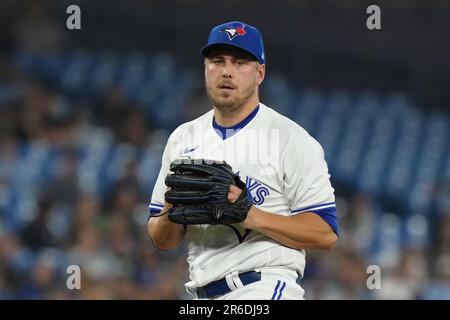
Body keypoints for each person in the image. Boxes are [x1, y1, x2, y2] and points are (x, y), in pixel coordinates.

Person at [147, 21, 338, 300]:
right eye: (217, 61)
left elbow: (325, 233)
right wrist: (172, 206)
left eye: (239, 62)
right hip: (201, 293)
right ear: (206, 69)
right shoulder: (182, 139)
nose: (226, 71)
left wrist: (251, 215)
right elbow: (162, 240)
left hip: (263, 287)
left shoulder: (291, 140)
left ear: (260, 73)